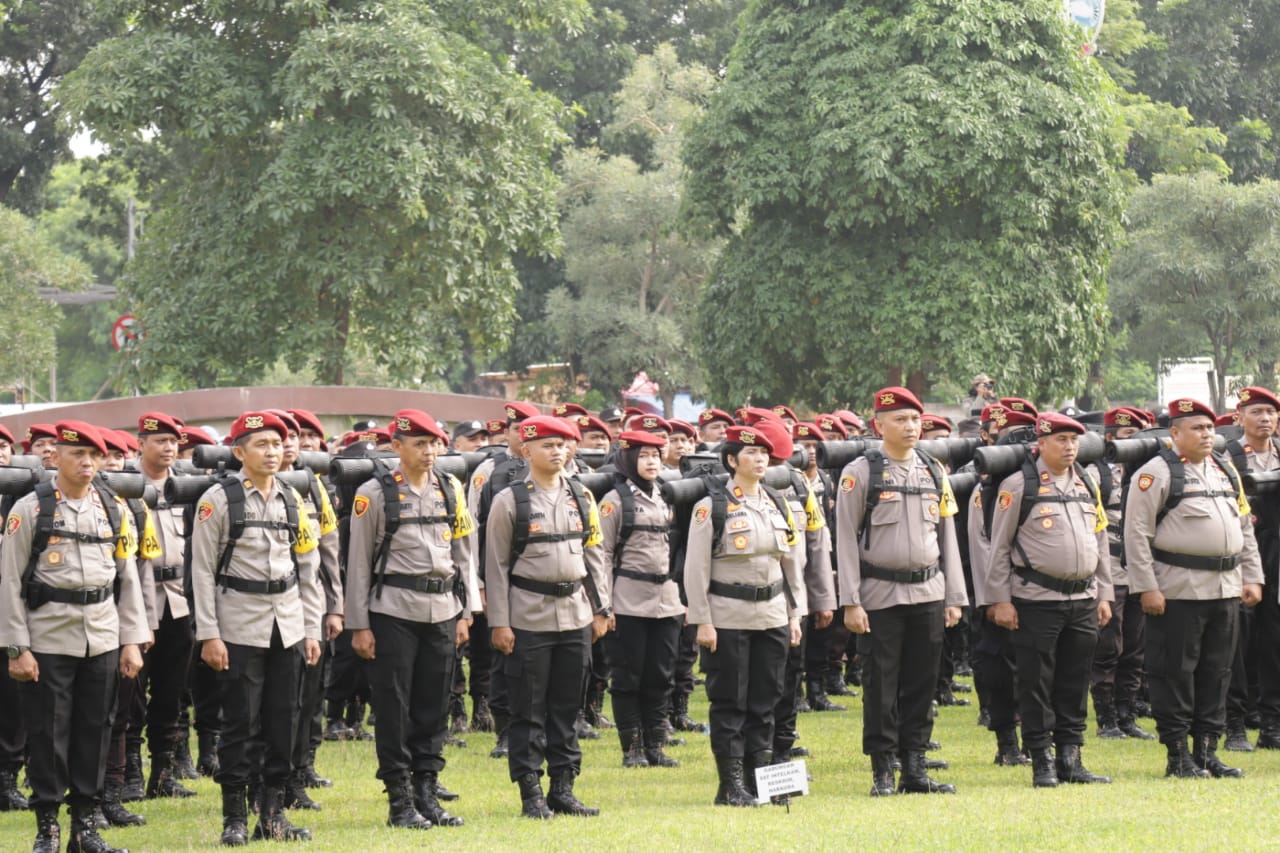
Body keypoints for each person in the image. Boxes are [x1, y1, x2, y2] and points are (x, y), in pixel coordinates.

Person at [0, 420, 149, 853]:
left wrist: (131, 640)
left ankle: (85, 827)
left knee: (95, 731)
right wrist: (17, 647)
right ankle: (47, 827)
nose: (87, 463)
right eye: (77, 454)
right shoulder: (30, 509)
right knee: (47, 734)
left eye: (94, 456)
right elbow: (9, 581)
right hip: (47, 638)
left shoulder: (114, 509)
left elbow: (127, 578)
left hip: (101, 635)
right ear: (57, 456)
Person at [190, 411, 324, 845]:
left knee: (284, 722)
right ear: (238, 451)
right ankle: (234, 817)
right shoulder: (218, 500)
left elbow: (308, 567)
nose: (272, 452)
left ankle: (272, 815)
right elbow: (202, 572)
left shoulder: (292, 498)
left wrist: (312, 629)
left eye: (277, 444)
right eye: (262, 444)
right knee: (240, 725)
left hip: (287, 624)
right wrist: (209, 634)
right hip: (238, 626)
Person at [835, 387, 966, 797]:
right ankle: (883, 771)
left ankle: (915, 769)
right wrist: (851, 601)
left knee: (922, 684)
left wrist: (954, 597)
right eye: (900, 420)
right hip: (880, 596)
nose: (911, 427)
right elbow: (844, 538)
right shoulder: (861, 472)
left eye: (915, 419)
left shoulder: (933, 470)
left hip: (928, 592)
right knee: (880, 686)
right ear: (879, 425)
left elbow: (947, 535)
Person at [1124, 398, 1264, 779]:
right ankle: (1178, 754)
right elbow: (1136, 535)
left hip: (1225, 588)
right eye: (1197, 428)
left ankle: (1206, 752)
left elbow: (1244, 526)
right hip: (1178, 590)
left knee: (1217, 673)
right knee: (1175, 673)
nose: (1206, 435)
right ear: (1174, 433)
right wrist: (1146, 587)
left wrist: (1252, 576)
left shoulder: (1224, 469)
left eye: (1209, 428)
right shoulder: (1155, 474)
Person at [347, 410, 473, 830]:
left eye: (434, 443)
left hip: (443, 609)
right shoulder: (374, 493)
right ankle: (400, 800)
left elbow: (463, 553)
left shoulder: (450, 488)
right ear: (397, 446)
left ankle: (427, 793)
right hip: (393, 611)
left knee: (434, 706)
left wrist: (466, 611)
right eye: (419, 444)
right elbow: (359, 563)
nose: (429, 451)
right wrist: (359, 625)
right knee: (394, 707)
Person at [484, 415, 611, 818]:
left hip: (575, 614)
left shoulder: (582, 496)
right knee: (528, 709)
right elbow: (495, 566)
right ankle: (531, 793)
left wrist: (602, 609)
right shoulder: (510, 500)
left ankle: (563, 788)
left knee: (567, 708)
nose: (558, 452)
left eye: (563, 445)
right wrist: (500, 622)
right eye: (548, 446)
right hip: (528, 617)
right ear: (526, 451)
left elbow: (594, 556)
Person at [985, 412, 1113, 788]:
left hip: (1083, 598)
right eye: (1061, 440)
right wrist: (999, 599)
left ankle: (1071, 758)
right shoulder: (1018, 485)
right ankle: (1041, 759)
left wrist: (1104, 593)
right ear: (1041, 444)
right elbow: (999, 547)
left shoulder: (1087, 482)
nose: (1070, 447)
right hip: (1036, 600)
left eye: (1074, 440)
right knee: (1036, 683)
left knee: (1075, 680)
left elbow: (1100, 541)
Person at [685, 423, 805, 806]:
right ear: (732, 460)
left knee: (766, 701)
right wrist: (702, 620)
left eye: (764, 453)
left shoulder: (778, 503)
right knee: (730, 702)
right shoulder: (712, 506)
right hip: (728, 617)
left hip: (772, 615)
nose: (760, 459)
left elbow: (791, 566)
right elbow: (696, 569)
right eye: (751, 453)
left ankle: (761, 781)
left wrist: (795, 615)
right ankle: (731, 785)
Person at [599, 430, 683, 768]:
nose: (651, 462)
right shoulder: (614, 500)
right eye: (644, 455)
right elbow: (602, 555)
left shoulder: (668, 494)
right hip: (627, 601)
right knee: (627, 677)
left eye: (656, 456)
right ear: (629, 458)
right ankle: (631, 748)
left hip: (667, 600)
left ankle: (656, 745)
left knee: (661, 676)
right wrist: (605, 605)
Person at [1089, 407, 1155, 741]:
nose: (1135, 442)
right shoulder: (1095, 473)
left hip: (1139, 572)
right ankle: (1107, 718)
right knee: (1108, 647)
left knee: (1135, 648)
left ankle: (1127, 715)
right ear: (1111, 437)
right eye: (1129, 435)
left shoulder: (1149, 472)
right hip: (1110, 572)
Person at [1223, 386, 1280, 751]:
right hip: (1241, 553)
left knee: (1274, 641)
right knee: (1236, 643)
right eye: (1257, 412)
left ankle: (1272, 724)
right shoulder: (1226, 457)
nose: (1265, 419)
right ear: (1239, 417)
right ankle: (1235, 724)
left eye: (1271, 412)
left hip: (1276, 554)